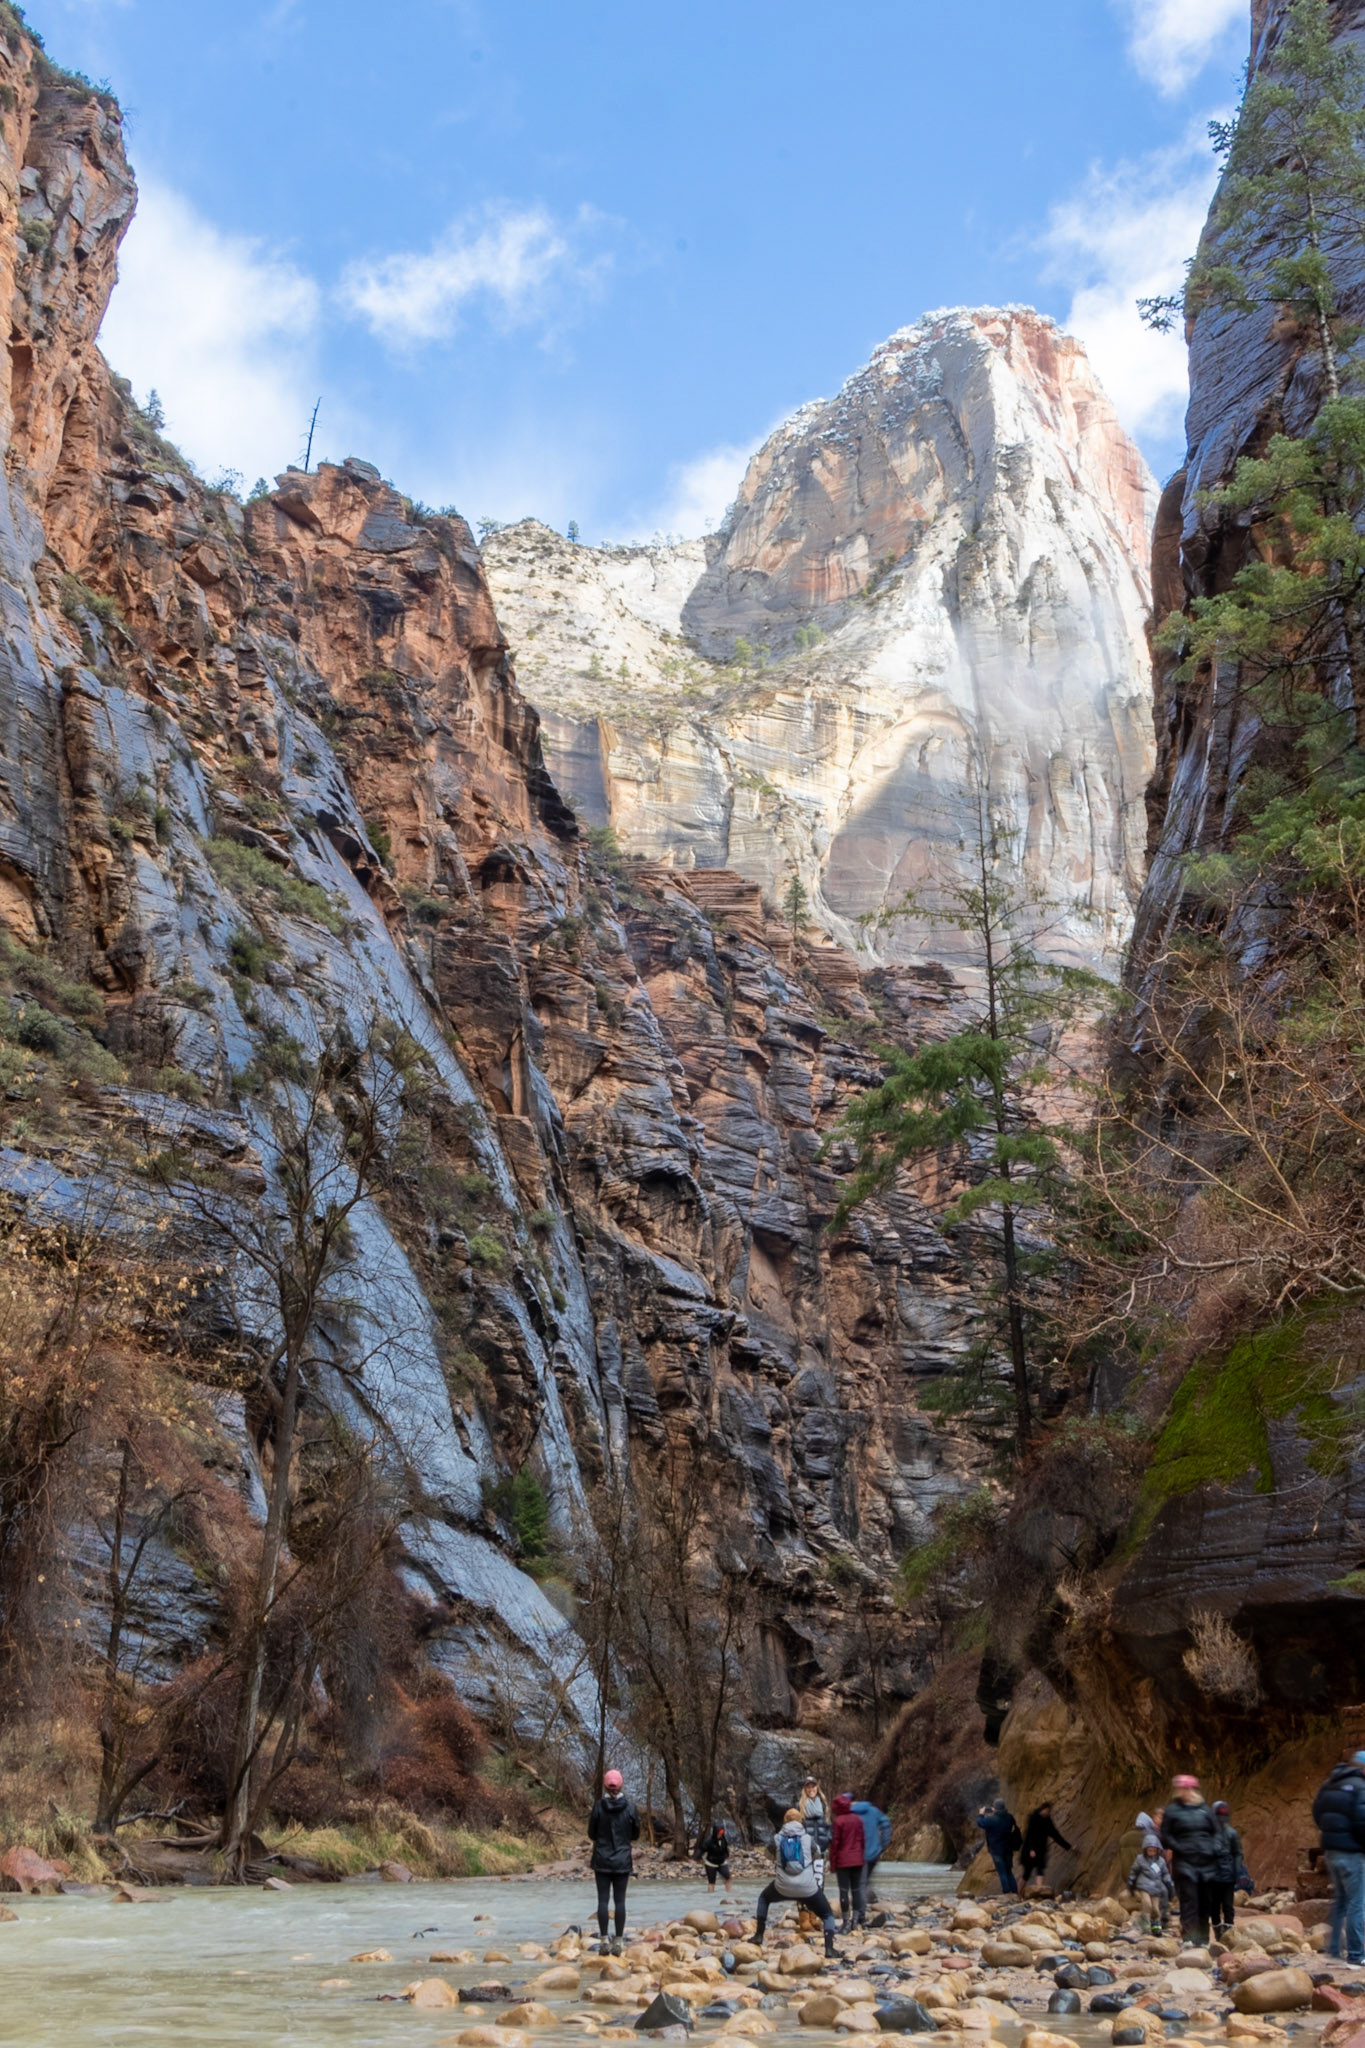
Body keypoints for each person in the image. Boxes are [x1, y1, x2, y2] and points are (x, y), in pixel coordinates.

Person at [755, 1807, 839, 1958]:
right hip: (808, 1889)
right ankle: (829, 1949)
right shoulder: (807, 1838)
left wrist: (779, 1860)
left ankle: (759, 1935)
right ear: (801, 1821)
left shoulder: (777, 1839)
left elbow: (767, 1855)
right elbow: (817, 1854)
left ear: (784, 1821)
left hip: (783, 1887)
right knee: (827, 1915)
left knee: (764, 1898)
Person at [1312, 1749, 1365, 1968]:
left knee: (1341, 1900)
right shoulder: (1360, 1786)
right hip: (1351, 1853)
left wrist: (1330, 1833)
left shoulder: (1328, 1783)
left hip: (1330, 1851)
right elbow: (1362, 1822)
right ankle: (1356, 1954)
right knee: (1357, 1902)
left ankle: (1334, 1950)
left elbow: (1317, 1812)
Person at [1160, 1775, 1222, 1945]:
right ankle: (1189, 1938)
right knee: (1189, 1900)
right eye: (1182, 1788)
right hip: (1185, 1862)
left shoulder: (1206, 1810)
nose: (1186, 1791)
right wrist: (1180, 1847)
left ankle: (1203, 1939)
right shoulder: (1172, 1811)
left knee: (1205, 1901)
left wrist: (1215, 1848)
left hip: (1207, 1862)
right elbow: (1165, 1835)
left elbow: (1217, 1832)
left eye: (1188, 1788)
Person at [587, 1768, 640, 1955]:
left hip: (602, 1859)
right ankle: (618, 1942)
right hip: (622, 1861)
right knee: (620, 1901)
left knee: (602, 1900)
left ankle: (603, 1940)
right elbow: (635, 1834)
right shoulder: (630, 1808)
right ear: (621, 1785)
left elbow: (591, 1833)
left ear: (605, 1786)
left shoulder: (598, 1807)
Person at [1209, 1800, 1252, 1940]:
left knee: (1228, 1905)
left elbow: (1238, 1853)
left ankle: (1229, 1934)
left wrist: (1237, 1871)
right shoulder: (1209, 1834)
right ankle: (1218, 1933)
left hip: (1228, 1876)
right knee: (1214, 1907)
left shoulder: (1232, 1833)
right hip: (1213, 1877)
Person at [830, 1791, 868, 1932]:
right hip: (857, 1860)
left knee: (844, 1891)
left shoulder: (838, 1821)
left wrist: (833, 1864)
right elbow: (863, 1840)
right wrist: (862, 1857)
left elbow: (835, 1844)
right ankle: (855, 1922)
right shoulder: (858, 1820)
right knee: (856, 1890)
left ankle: (846, 1922)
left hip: (843, 1861)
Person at [1128, 1832, 1175, 1934]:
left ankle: (1156, 1924)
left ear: (1158, 1850)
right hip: (1144, 1886)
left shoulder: (1161, 1861)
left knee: (1155, 1908)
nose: (1152, 1853)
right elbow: (1134, 1870)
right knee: (1147, 1904)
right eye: (1150, 1850)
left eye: (1154, 1850)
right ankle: (1145, 1924)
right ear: (1145, 1850)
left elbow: (1165, 1873)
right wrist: (1131, 1880)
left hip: (1156, 1887)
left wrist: (1168, 1882)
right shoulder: (1140, 1859)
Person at [1020, 1802, 1072, 1889]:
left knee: (1040, 1870)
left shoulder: (1048, 1821)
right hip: (1029, 1850)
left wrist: (1068, 1847)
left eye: (1049, 1811)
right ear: (1043, 1809)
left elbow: (1055, 1835)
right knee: (1026, 1874)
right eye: (1048, 1811)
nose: (1049, 1813)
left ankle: (1039, 1891)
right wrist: (1031, 1849)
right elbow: (1029, 1834)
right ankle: (1018, 1894)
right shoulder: (1033, 1817)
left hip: (1041, 1850)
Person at [851, 1796, 892, 1905]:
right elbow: (886, 1823)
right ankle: (869, 1901)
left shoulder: (850, 1814)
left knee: (860, 1882)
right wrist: (883, 1844)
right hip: (874, 1853)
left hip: (858, 1855)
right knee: (865, 1880)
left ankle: (861, 1910)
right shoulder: (873, 1811)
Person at [977, 1797, 1021, 1894]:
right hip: (1008, 1849)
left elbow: (980, 1823)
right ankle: (1014, 1892)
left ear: (994, 1808)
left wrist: (981, 1814)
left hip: (996, 1850)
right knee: (1009, 1871)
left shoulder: (991, 1819)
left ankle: (1006, 1892)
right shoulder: (1009, 1817)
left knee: (1002, 1872)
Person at [695, 1815, 733, 1895]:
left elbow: (725, 1848)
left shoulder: (723, 1839)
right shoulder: (708, 1841)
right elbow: (702, 1850)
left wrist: (727, 1855)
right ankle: (710, 1897)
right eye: (719, 1833)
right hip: (710, 1863)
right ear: (715, 1833)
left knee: (728, 1878)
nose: (720, 1835)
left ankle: (729, 1895)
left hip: (722, 1862)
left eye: (722, 1833)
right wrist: (695, 1858)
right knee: (712, 1882)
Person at [800, 1776, 831, 1853]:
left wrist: (828, 1839)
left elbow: (829, 1825)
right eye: (808, 1787)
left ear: (817, 1787)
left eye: (813, 1786)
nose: (811, 1789)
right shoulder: (801, 1806)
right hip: (807, 1850)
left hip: (824, 1849)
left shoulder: (823, 1803)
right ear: (805, 1789)